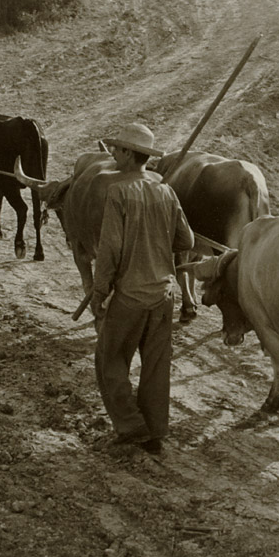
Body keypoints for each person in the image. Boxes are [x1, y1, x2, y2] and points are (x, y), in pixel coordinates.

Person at [91, 123, 194, 455]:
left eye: (117, 149)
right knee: (155, 365)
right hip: (164, 296)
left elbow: (109, 251)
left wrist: (99, 291)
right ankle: (155, 433)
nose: (114, 154)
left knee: (109, 359)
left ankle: (130, 425)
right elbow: (187, 241)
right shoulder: (166, 191)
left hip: (131, 297)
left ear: (126, 153)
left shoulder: (118, 192)